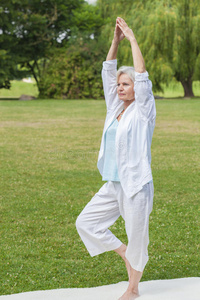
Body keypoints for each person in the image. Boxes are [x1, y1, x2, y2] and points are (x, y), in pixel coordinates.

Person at [76, 17, 156, 300]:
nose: (120, 87)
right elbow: (108, 71)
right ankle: (124, 253)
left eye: (126, 84)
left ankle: (132, 289)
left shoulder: (144, 111)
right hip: (112, 184)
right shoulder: (115, 108)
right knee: (86, 222)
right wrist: (115, 42)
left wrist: (133, 40)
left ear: (136, 88)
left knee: (138, 239)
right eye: (119, 85)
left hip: (135, 186)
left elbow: (142, 75)